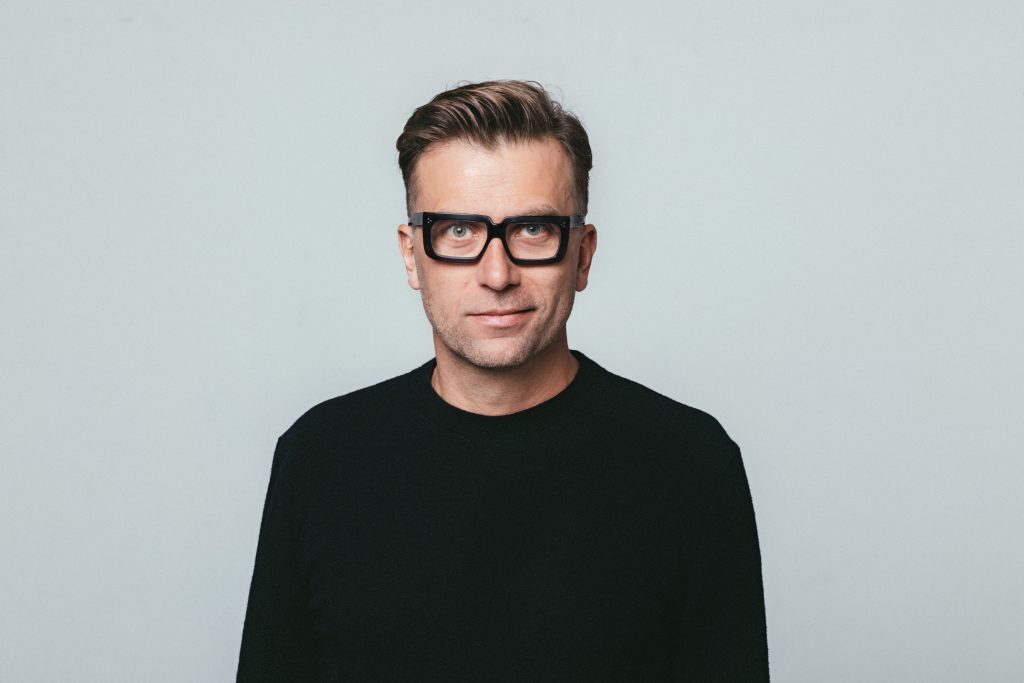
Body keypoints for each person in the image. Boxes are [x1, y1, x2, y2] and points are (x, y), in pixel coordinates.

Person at [238, 80, 769, 681]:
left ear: (582, 254)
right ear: (412, 255)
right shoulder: (320, 455)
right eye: (458, 231)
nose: (497, 274)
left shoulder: (689, 463)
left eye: (533, 230)